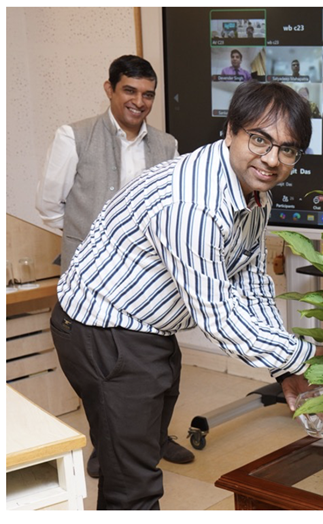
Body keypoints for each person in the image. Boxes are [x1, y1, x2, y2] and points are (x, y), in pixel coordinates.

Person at [53, 81, 319, 509]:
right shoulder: (192, 201)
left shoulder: (253, 192)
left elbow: (250, 283)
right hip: (101, 327)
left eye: (287, 150)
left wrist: (283, 369)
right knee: (134, 485)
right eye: (260, 139)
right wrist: (307, 357)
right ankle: (125, 466)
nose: (272, 159)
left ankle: (127, 449)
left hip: (149, 325)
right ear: (230, 130)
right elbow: (219, 315)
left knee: (147, 430)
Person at [37, 55, 188, 477]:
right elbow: (51, 206)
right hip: (92, 285)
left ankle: (156, 437)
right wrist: (92, 247)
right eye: (129, 90)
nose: (138, 102)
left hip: (148, 282)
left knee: (164, 368)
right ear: (110, 88)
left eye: (147, 94)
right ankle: (107, 448)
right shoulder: (75, 136)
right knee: (101, 375)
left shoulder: (168, 146)